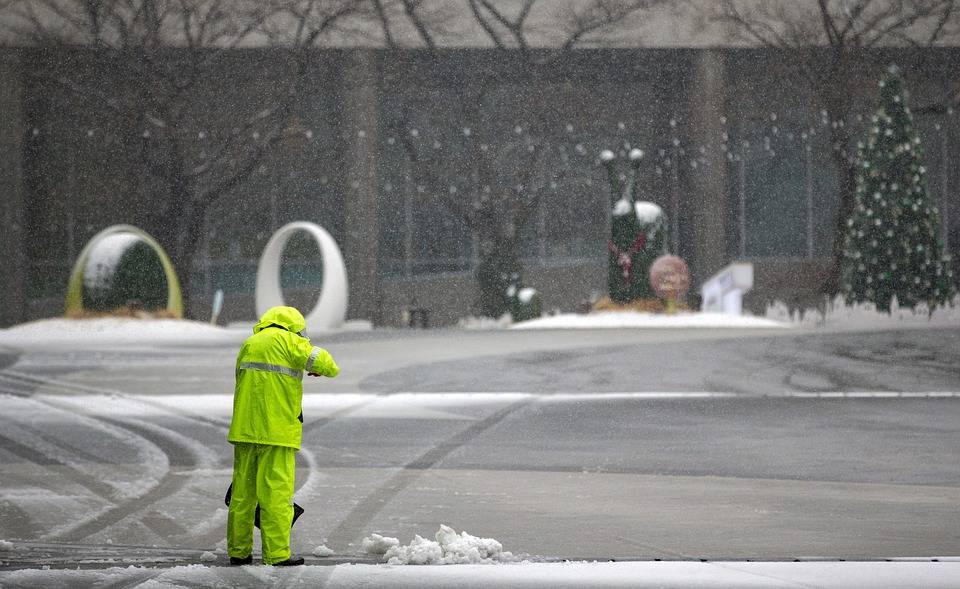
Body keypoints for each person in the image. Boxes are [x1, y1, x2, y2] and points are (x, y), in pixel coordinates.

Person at [226, 306, 339, 566]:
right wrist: (315, 365)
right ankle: (277, 554)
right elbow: (328, 364)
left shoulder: (250, 343)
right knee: (275, 494)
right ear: (294, 327)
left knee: (242, 495)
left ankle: (239, 551)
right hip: (276, 432)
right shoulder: (291, 342)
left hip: (244, 430)